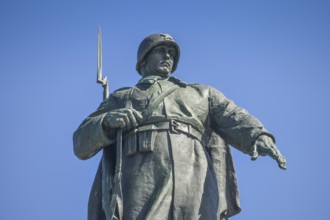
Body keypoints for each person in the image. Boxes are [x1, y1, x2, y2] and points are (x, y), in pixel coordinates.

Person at [73, 33, 286, 220]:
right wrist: (107, 121)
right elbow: (81, 142)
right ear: (143, 61)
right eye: (161, 51)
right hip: (143, 171)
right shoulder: (122, 96)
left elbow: (233, 115)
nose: (168, 56)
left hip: (194, 170)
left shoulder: (201, 93)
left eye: (171, 53)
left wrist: (258, 135)